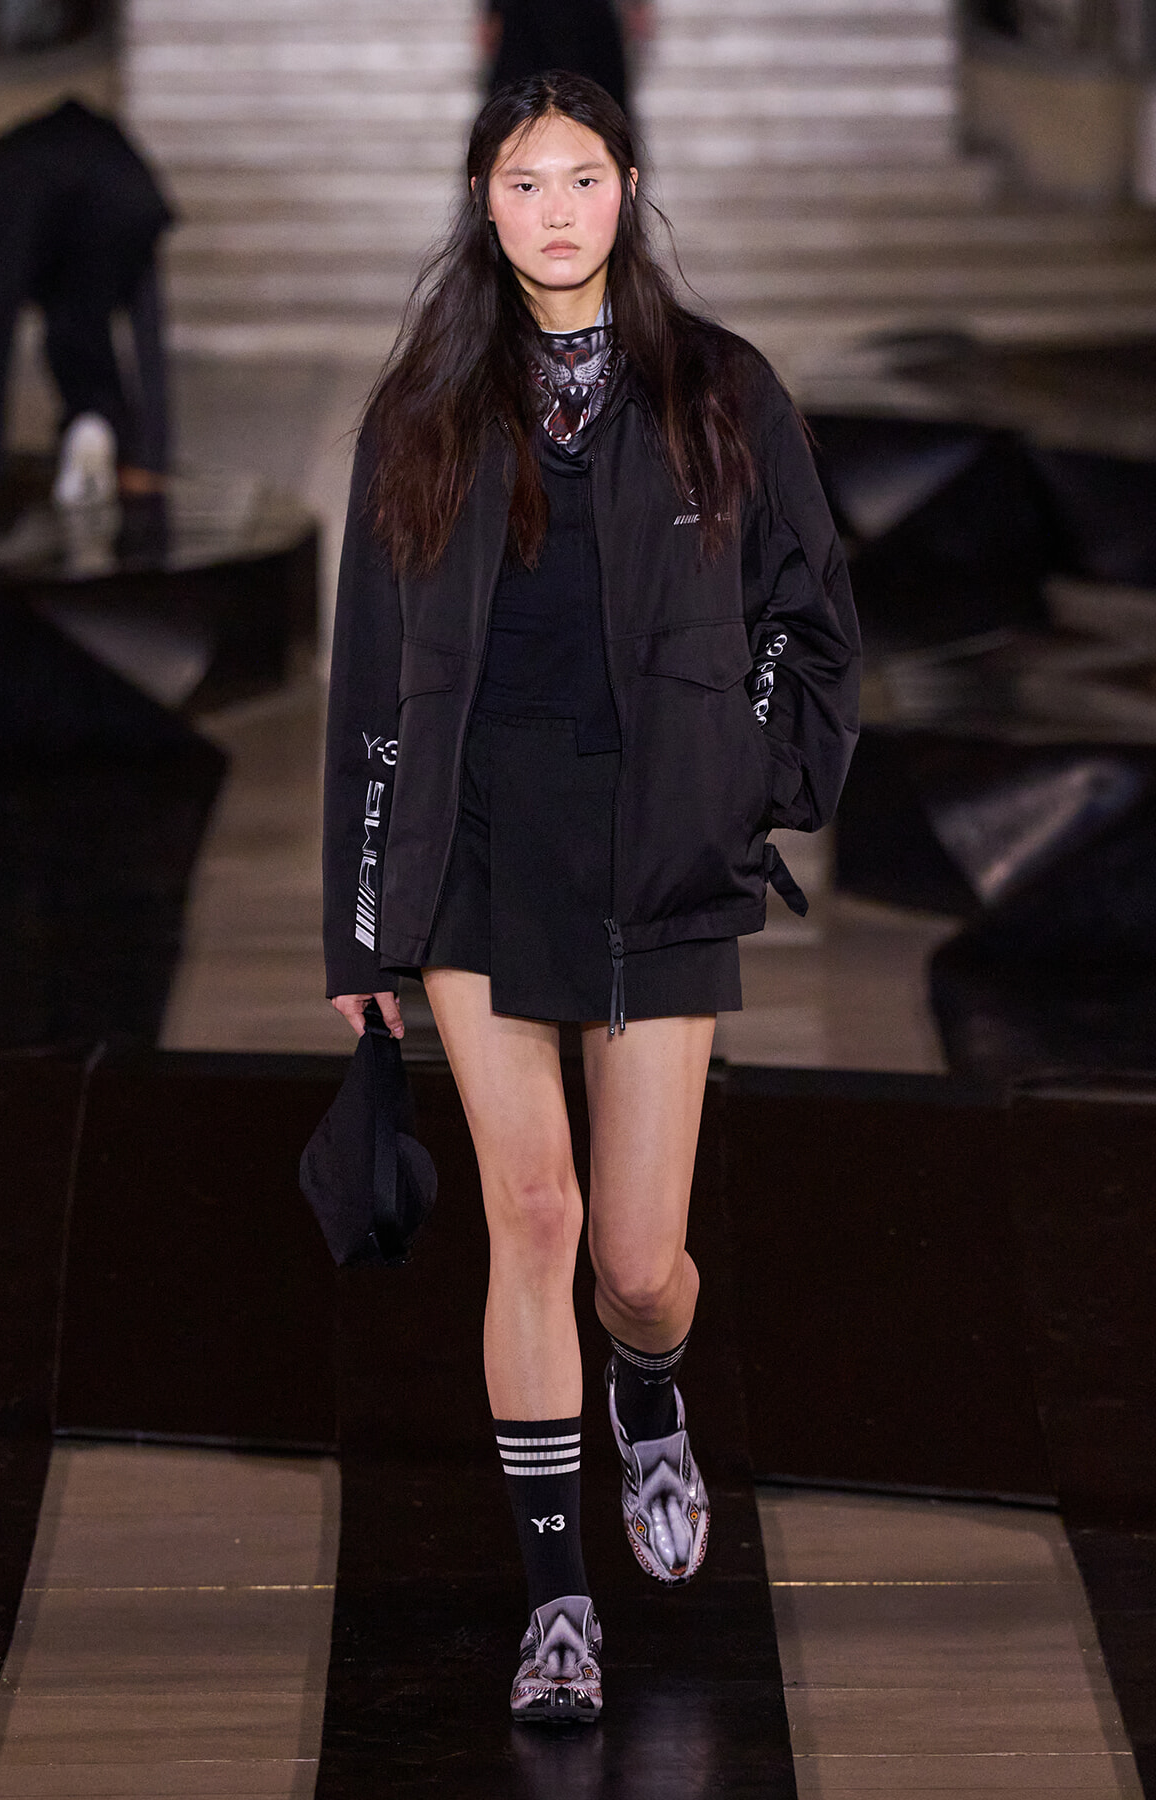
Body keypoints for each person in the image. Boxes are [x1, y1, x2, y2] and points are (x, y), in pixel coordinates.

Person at [323, 71, 859, 1725]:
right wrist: (360, 925)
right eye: (522, 182)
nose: (555, 212)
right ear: (482, 205)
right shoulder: (424, 408)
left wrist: (743, 772)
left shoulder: (721, 390)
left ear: (628, 187)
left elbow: (813, 614)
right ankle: (559, 1601)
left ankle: (651, 1384)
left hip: (656, 853)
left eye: (581, 178)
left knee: (635, 1262)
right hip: (479, 847)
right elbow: (368, 679)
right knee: (534, 1215)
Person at [0, 98, 173, 540]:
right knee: (77, 325)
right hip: (125, 189)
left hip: (33, 187)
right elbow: (148, 329)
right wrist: (153, 455)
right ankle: (97, 425)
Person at [480, 0, 652, 116]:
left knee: (597, 102)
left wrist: (636, 5)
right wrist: (493, 11)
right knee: (518, 103)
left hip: (588, 21)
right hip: (526, 21)